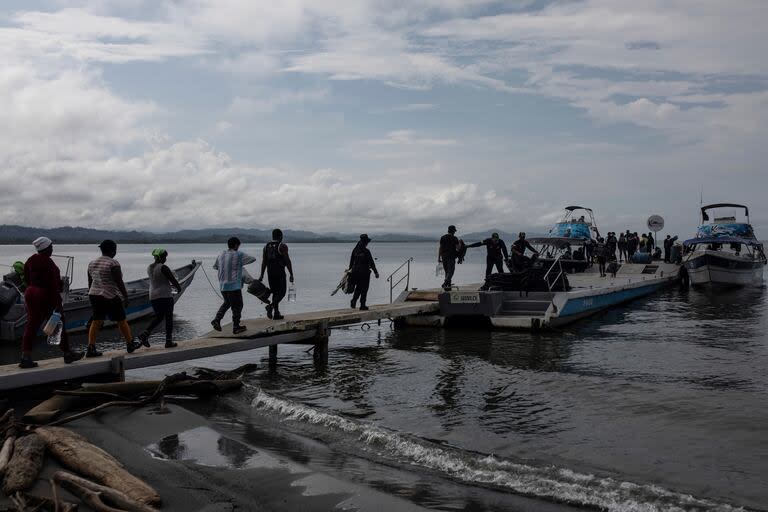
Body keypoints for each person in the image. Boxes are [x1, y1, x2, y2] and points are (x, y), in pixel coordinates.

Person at [18, 237, 84, 368]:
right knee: (59, 322)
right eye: (51, 246)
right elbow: (52, 285)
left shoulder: (31, 260)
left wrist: (32, 287)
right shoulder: (48, 263)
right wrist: (58, 305)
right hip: (45, 294)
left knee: (31, 325)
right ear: (46, 248)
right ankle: (67, 354)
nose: (52, 248)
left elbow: (26, 277)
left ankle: (26, 357)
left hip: (31, 293)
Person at [87, 240, 141, 357]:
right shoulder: (113, 263)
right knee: (121, 319)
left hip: (94, 294)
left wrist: (91, 295)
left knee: (96, 321)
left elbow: (90, 282)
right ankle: (130, 343)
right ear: (114, 250)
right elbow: (119, 281)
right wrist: (126, 296)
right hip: (110, 295)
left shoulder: (92, 263)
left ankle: (91, 347)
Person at [138, 249, 181, 348]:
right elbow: (173, 280)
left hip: (153, 295)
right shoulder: (163, 267)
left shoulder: (149, 267)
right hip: (165, 295)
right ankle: (168, 341)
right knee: (169, 317)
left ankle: (145, 334)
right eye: (165, 257)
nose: (165, 259)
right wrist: (178, 288)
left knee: (159, 317)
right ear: (161, 257)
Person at [212, 237, 255, 334]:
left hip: (223, 285)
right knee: (238, 305)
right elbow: (253, 259)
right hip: (233, 286)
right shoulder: (238, 254)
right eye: (238, 246)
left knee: (227, 302)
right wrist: (239, 264)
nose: (238, 247)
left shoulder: (221, 254)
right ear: (236, 245)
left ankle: (217, 320)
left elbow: (215, 267)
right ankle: (236, 326)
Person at [259, 229, 294, 320]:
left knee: (275, 293)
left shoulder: (266, 246)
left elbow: (264, 262)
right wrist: (291, 274)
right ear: (280, 236)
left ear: (273, 236)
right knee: (282, 292)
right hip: (279, 273)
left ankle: (276, 314)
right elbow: (287, 261)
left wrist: (262, 275)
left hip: (270, 273)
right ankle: (270, 306)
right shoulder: (282, 246)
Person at [348, 234, 379, 310]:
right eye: (367, 242)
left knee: (358, 288)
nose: (367, 243)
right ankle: (362, 305)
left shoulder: (355, 250)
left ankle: (354, 300)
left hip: (355, 272)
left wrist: (350, 271)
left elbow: (351, 262)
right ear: (366, 242)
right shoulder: (366, 251)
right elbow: (371, 263)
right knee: (364, 289)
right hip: (364, 273)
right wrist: (376, 272)